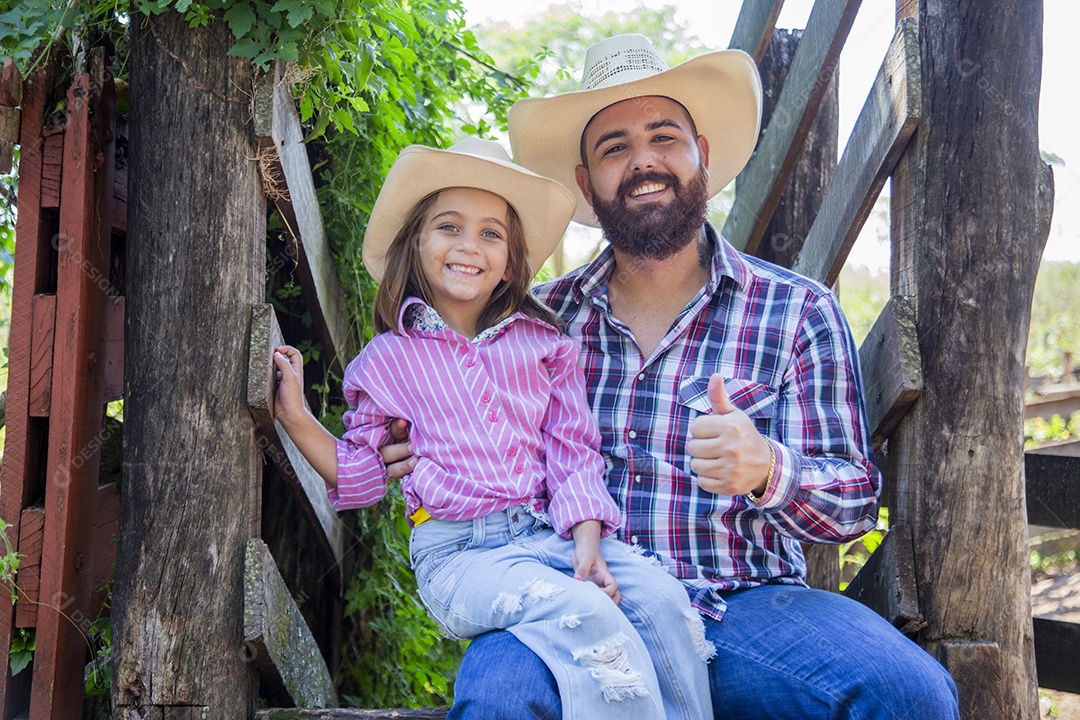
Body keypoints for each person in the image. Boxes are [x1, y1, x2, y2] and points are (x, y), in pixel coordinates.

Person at [380, 36, 960, 719]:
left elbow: (855, 504)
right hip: (574, 601)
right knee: (501, 696)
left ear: (702, 157)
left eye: (664, 136)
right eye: (614, 148)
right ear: (586, 184)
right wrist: (423, 449)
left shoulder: (798, 311)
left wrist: (768, 468)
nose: (643, 160)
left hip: (748, 609)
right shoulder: (530, 325)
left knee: (907, 694)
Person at [272, 136, 714, 720]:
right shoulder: (386, 361)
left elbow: (572, 451)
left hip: (551, 535)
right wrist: (298, 418)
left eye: (491, 234)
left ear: (509, 262)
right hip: (460, 554)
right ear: (417, 243)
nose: (468, 246)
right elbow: (362, 474)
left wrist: (587, 539)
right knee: (588, 615)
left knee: (662, 600)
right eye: (448, 227)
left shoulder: (545, 345)